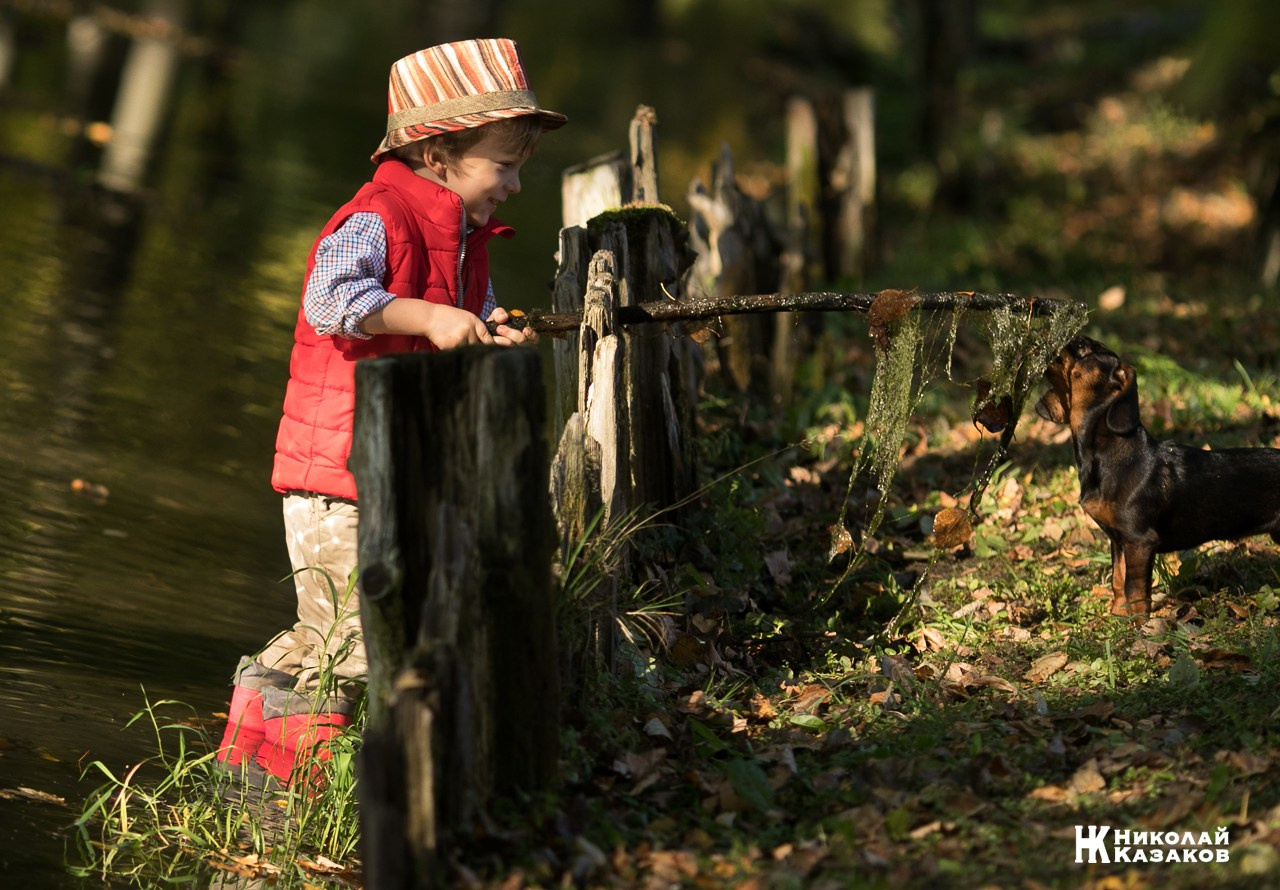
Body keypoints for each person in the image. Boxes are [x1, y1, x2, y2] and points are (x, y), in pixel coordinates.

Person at [212, 37, 566, 790]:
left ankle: (255, 772)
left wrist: (490, 329)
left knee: (328, 635)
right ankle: (304, 796)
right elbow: (330, 299)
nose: (515, 185)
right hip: (336, 478)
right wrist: (426, 319)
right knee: (364, 639)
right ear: (438, 153)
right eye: (503, 165)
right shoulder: (380, 214)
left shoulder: (465, 240)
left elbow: (463, 311)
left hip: (383, 472)